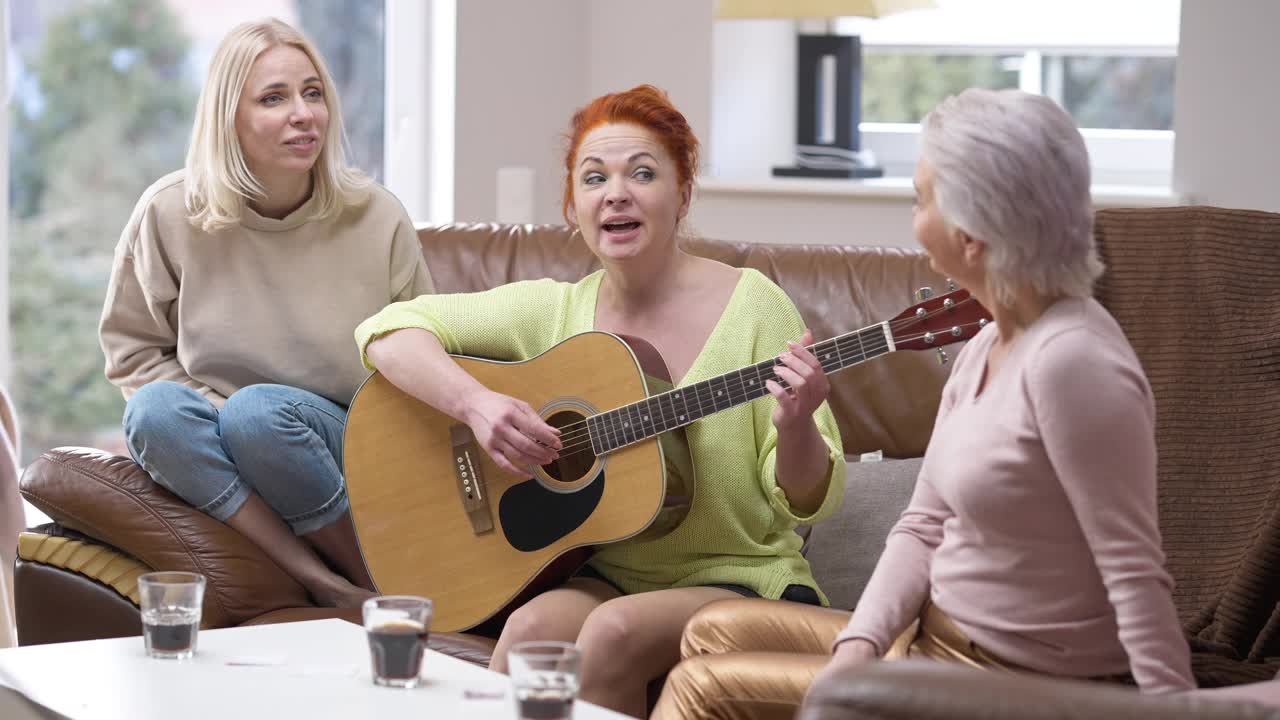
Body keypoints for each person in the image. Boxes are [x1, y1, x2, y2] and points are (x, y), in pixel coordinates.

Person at [651, 88, 1197, 720]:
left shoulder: (1074, 363)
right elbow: (923, 524)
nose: (912, 217)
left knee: (703, 688)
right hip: (937, 640)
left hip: (1021, 680)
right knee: (710, 630)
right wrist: (859, 649)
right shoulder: (990, 341)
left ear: (970, 232)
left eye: (920, 199)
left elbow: (1134, 573)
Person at [355, 84, 845, 717]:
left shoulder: (754, 305)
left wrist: (798, 423)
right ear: (574, 206)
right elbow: (386, 330)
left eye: (642, 173)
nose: (616, 192)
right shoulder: (556, 313)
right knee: (530, 632)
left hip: (742, 577)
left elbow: (811, 498)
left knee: (614, 633)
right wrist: (476, 404)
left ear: (683, 195)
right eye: (594, 178)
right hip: (610, 575)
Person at [99, 18, 434, 609]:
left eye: (313, 93)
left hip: (349, 440)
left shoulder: (376, 216)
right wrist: (225, 416)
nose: (303, 114)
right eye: (274, 98)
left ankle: (379, 581)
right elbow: (132, 353)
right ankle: (318, 579)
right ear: (230, 118)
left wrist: (252, 420)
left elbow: (428, 349)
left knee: (259, 416)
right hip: (223, 441)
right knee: (155, 412)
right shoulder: (170, 212)